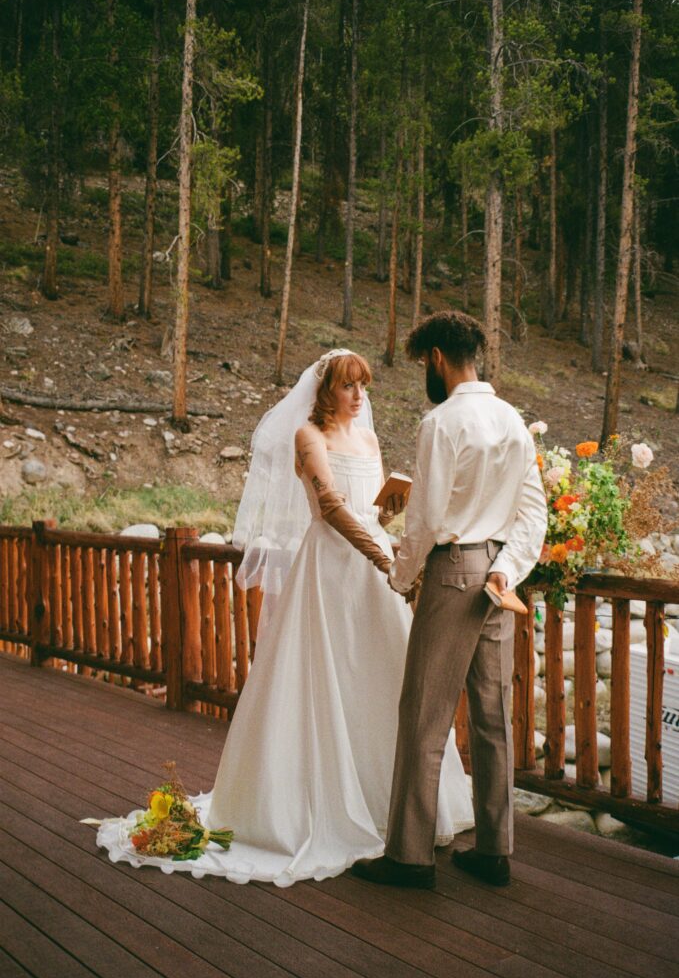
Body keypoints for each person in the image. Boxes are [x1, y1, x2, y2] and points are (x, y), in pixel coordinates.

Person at [96, 349, 473, 885]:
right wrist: (387, 559)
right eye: (348, 387)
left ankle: (396, 804)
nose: (359, 396)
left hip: (374, 569)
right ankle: (318, 807)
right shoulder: (307, 437)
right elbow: (333, 508)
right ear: (326, 392)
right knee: (325, 675)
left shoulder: (367, 439)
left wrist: (391, 506)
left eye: (363, 386)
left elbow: (366, 507)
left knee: (383, 679)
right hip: (333, 567)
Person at [351, 312, 547, 890]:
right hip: (497, 580)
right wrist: (506, 571)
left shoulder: (441, 422)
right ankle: (494, 851)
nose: (423, 375)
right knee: (492, 720)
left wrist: (399, 575)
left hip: (453, 574)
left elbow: (429, 518)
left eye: (421, 364)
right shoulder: (512, 420)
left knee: (424, 715)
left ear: (436, 357)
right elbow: (532, 514)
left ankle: (409, 858)